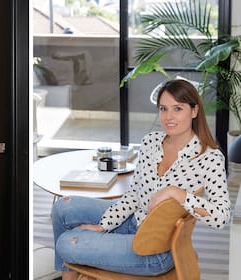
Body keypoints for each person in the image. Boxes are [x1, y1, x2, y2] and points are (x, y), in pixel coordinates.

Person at [51, 79, 231, 279]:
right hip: (132, 221)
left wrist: (176, 193)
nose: (168, 117)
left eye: (177, 109)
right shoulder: (151, 141)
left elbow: (221, 217)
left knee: (66, 243)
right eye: (163, 109)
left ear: (194, 111)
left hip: (155, 249)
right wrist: (104, 225)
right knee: (63, 207)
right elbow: (134, 194)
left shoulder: (209, 157)